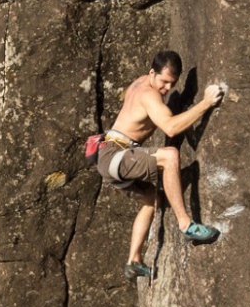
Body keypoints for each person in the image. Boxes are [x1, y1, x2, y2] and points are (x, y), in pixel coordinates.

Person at [96, 50, 225, 281]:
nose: (166, 89)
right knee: (169, 156)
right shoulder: (148, 94)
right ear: (152, 73)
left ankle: (133, 261)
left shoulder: (140, 83)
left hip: (110, 159)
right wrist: (206, 103)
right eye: (164, 82)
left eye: (172, 84)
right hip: (116, 155)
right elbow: (171, 128)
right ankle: (186, 225)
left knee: (153, 200)